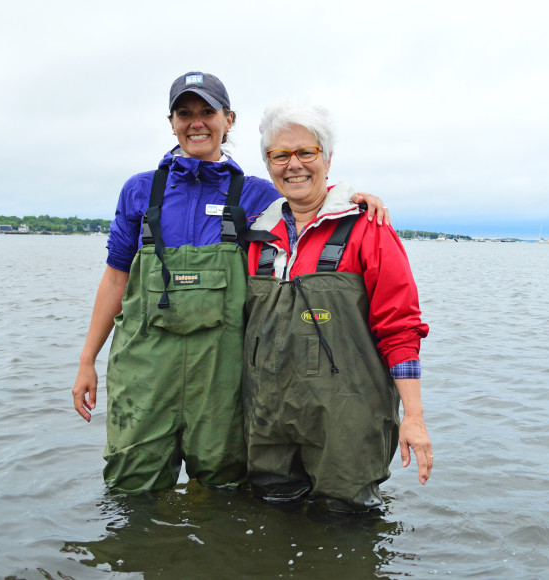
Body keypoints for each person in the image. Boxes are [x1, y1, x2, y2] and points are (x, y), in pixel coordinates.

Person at [71, 72, 388, 493]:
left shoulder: (256, 196)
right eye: (185, 113)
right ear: (171, 122)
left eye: (208, 112)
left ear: (229, 119)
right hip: (143, 370)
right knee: (132, 488)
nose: (196, 122)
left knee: (227, 489)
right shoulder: (140, 190)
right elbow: (115, 279)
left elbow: (307, 198)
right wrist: (86, 360)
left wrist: (353, 198)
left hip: (221, 377)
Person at [242, 101, 432, 512]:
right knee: (270, 525)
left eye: (306, 152)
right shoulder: (256, 237)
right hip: (269, 425)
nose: (294, 165)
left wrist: (413, 416)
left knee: (347, 528)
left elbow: (399, 327)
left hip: (347, 423)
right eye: (280, 155)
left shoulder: (368, 227)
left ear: (327, 158)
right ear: (268, 164)